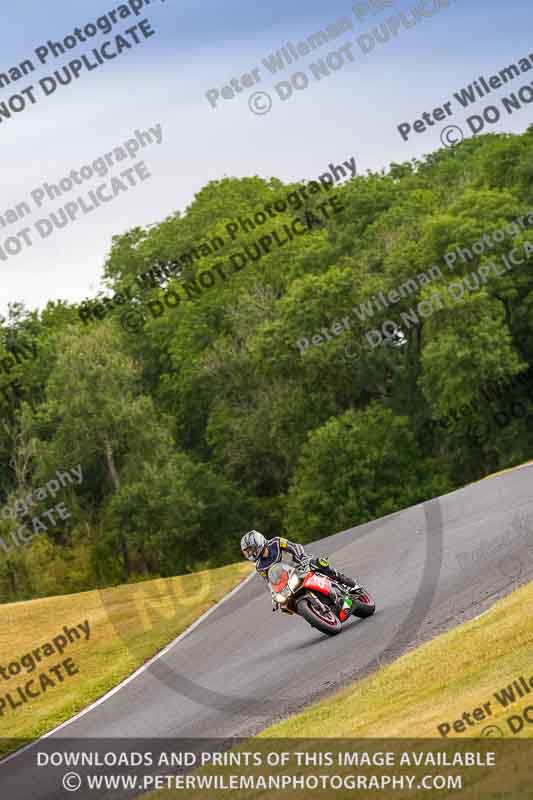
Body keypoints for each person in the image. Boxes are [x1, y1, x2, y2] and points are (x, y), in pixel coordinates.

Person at [240, 529, 360, 611]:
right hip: (289, 580)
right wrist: (274, 596)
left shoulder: (276, 542)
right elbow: (269, 582)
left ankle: (349, 583)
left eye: (250, 549)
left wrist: (302, 557)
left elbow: (294, 546)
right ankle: (318, 610)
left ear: (258, 542)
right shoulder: (259, 566)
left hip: (301, 565)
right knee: (285, 604)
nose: (249, 553)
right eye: (247, 552)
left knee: (319, 563)